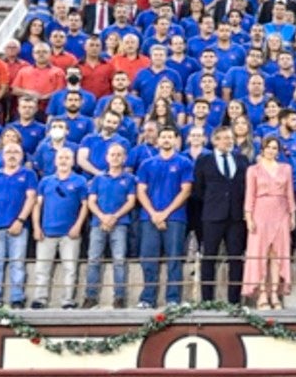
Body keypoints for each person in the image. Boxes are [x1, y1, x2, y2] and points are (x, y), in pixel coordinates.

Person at [136, 127, 194, 309]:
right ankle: (147, 298)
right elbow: (140, 191)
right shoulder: (147, 164)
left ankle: (173, 299)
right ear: (158, 140)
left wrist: (165, 213)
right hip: (149, 218)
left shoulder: (185, 163)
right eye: (163, 136)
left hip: (175, 218)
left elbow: (186, 191)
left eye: (170, 136)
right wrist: (154, 213)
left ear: (176, 140)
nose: (167, 139)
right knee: (148, 259)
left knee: (174, 259)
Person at [193, 127, 248, 305]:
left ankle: (234, 301)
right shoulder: (204, 160)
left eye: (230, 138)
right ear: (215, 141)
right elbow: (198, 190)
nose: (228, 141)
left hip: (236, 217)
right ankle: (207, 300)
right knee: (209, 257)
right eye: (224, 138)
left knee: (235, 258)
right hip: (212, 215)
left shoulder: (242, 160)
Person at [30, 147, 89, 310]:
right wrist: (36, 226)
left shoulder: (80, 181)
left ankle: (68, 300)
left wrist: (78, 226)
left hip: (70, 233)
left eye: (67, 158)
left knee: (70, 268)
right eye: (61, 157)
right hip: (46, 232)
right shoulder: (46, 181)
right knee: (42, 267)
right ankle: (40, 299)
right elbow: (37, 205)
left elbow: (85, 205)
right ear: (55, 160)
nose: (63, 160)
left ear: (73, 161)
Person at [0, 143, 38, 308]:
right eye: (8, 152)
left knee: (17, 263)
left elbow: (31, 198)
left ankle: (17, 298)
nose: (12, 155)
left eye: (16, 152)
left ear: (21, 156)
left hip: (19, 227)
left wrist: (20, 220)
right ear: (2, 156)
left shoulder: (28, 174)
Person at [243, 135, 296, 310]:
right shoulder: (253, 170)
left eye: (275, 148)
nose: (271, 150)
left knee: (277, 255)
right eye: (269, 147)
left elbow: (290, 193)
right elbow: (249, 195)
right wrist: (249, 217)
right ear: (263, 149)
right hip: (260, 212)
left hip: (281, 212)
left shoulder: (286, 168)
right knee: (260, 255)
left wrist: (292, 215)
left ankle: (274, 293)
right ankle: (262, 295)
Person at [83, 144, 136, 309]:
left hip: (120, 224)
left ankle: (119, 297)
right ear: (107, 157)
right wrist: (102, 217)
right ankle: (90, 297)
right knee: (93, 259)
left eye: (119, 155)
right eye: (112, 154)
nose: (115, 158)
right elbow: (91, 201)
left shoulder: (129, 179)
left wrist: (114, 217)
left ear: (124, 158)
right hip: (98, 223)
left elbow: (131, 201)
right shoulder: (98, 178)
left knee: (119, 260)